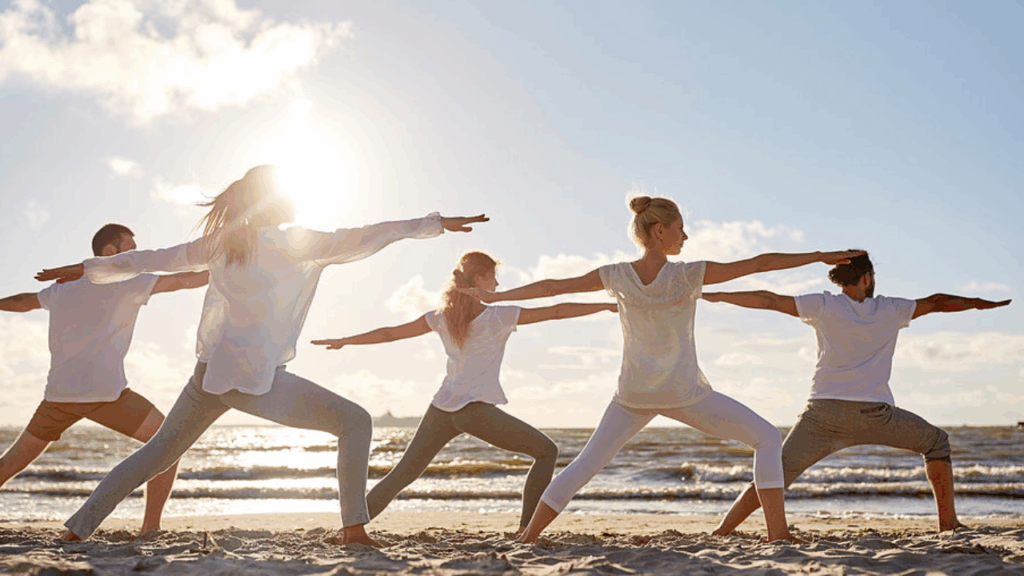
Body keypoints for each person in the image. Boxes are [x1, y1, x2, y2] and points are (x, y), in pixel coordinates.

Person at [34, 165, 488, 546]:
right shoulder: (297, 241)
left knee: (155, 455)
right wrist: (432, 225)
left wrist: (85, 269)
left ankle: (76, 532)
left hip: (209, 373)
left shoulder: (224, 243)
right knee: (356, 422)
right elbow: (367, 235)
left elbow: (151, 259)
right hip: (252, 379)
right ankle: (354, 530)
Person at [461, 196, 863, 543]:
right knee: (765, 439)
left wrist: (497, 297)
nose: (685, 237)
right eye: (680, 229)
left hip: (633, 394)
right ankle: (777, 534)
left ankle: (528, 537)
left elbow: (551, 287)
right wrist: (816, 256)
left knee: (584, 465)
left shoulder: (616, 274)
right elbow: (759, 263)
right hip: (684, 392)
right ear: (658, 231)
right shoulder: (688, 275)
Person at [704, 252, 1010, 536]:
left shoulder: (823, 305)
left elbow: (768, 300)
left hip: (823, 416)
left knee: (775, 474)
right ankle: (949, 524)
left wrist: (715, 296)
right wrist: (982, 304)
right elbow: (940, 301)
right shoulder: (891, 309)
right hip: (875, 416)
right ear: (866, 278)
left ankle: (722, 531)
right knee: (937, 443)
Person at [312, 251, 617, 534]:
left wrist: (345, 340)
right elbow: (557, 311)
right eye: (492, 277)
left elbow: (390, 334)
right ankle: (527, 533)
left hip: (441, 409)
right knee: (546, 451)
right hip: (474, 411)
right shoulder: (498, 316)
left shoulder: (441, 317)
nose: (497, 283)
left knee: (401, 475)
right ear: (477, 281)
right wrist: (605, 305)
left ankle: (349, 531)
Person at [0, 223, 208, 534]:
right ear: (109, 251)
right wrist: (230, 265)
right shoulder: (130, 282)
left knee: (10, 463)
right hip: (106, 397)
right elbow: (185, 281)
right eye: (131, 249)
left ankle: (150, 525)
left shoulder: (61, 288)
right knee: (170, 444)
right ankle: (150, 527)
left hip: (59, 397)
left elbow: (22, 301)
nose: (137, 256)